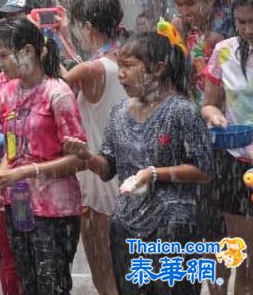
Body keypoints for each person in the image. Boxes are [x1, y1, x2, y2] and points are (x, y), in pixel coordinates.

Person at [64, 31, 214, 295]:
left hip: (172, 228)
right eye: (120, 66)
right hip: (126, 227)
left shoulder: (181, 111)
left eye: (130, 66)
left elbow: (204, 170)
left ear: (157, 69)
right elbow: (109, 168)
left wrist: (154, 174)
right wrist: (86, 156)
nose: (121, 74)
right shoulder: (119, 113)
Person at [0, 18, 86, 295]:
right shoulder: (6, 95)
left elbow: (79, 159)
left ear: (27, 52)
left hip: (55, 211)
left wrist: (26, 172)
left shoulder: (58, 94)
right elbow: (13, 153)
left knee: (52, 286)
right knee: (29, 284)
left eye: (4, 55)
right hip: (19, 207)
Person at [61, 0, 128, 295]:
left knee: (103, 272)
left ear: (88, 26)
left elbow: (54, 89)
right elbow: (87, 65)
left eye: (76, 28)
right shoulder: (126, 60)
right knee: (128, 269)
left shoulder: (91, 70)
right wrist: (63, 34)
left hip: (97, 180)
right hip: (126, 172)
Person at [201, 0, 253, 294]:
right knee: (239, 255)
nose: (247, 29)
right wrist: (214, 117)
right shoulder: (224, 52)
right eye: (242, 22)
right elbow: (208, 103)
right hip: (236, 163)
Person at [169, 0, 234, 105]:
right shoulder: (183, 30)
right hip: (195, 110)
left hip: (226, 113)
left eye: (190, 3)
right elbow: (176, 75)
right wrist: (177, 41)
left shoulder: (230, 25)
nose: (184, 11)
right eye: (179, 4)